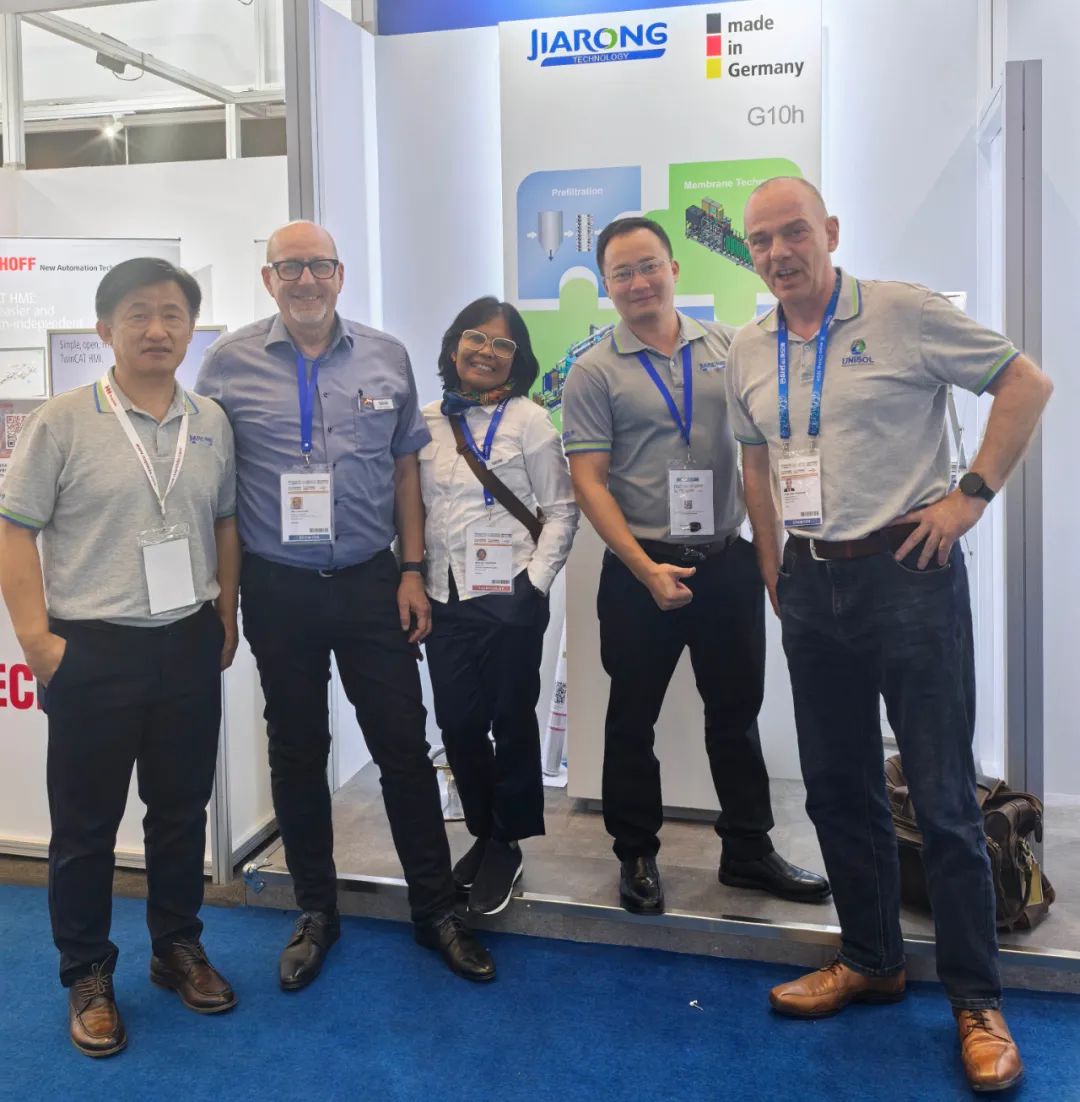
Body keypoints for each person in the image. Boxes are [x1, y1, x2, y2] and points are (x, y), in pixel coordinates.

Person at [726, 176, 1053, 1092]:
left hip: (909, 573)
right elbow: (755, 456)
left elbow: (1025, 384)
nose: (780, 252)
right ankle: (872, 959)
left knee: (943, 801)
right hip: (810, 581)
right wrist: (771, 559)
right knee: (837, 789)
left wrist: (968, 498)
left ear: (830, 231)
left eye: (795, 232)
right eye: (762, 240)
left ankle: (976, 1001)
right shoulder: (749, 347)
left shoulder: (903, 312)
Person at [196, 221, 494, 989]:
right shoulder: (227, 365)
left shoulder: (386, 355)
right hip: (278, 587)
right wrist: (223, 600)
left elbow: (405, 473)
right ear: (268, 278)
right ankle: (315, 911)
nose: (306, 280)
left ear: (339, 273)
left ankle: (435, 911)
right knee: (297, 750)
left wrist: (412, 570)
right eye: (290, 267)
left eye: (319, 266)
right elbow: (218, 492)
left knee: (402, 746)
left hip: (370, 581)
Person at [0, 258, 240, 1057]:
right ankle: (87, 973)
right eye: (138, 314)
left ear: (191, 330)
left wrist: (225, 614)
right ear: (105, 329)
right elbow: (14, 529)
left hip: (187, 641)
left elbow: (224, 522)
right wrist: (38, 642)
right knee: (86, 826)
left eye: (172, 315)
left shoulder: (210, 420)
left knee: (180, 812)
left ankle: (177, 947)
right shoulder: (64, 420)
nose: (156, 330)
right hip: (93, 647)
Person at [561, 216, 829, 916]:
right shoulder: (592, 370)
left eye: (648, 265)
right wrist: (643, 568)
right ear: (606, 285)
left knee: (736, 716)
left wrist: (767, 560)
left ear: (674, 268)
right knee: (631, 720)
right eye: (622, 273)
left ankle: (748, 850)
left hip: (724, 563)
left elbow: (757, 460)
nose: (638, 282)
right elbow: (589, 482)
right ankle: (636, 853)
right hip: (639, 569)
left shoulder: (731, 347)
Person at [419, 297, 578, 915]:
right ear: (453, 347)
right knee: (458, 724)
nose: (487, 352)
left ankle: (506, 843)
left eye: (502, 344)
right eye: (476, 338)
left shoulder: (530, 421)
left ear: (518, 359)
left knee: (510, 721)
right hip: (446, 595)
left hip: (509, 593)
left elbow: (561, 509)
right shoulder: (426, 421)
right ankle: (484, 831)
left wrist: (534, 583)